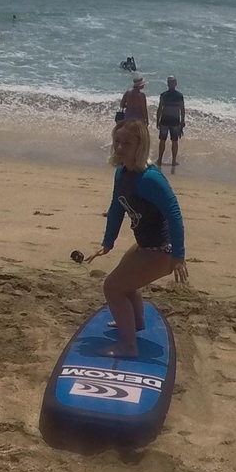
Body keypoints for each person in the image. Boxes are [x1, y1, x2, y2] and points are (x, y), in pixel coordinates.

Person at [83, 120, 188, 358]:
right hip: (145, 245)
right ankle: (137, 322)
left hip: (162, 250)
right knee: (124, 277)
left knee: (112, 287)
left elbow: (174, 213)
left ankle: (129, 346)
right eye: (117, 141)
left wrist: (179, 256)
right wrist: (107, 243)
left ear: (140, 146)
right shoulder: (123, 173)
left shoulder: (150, 179)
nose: (120, 147)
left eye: (127, 143)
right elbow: (116, 206)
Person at [156, 76, 185, 167]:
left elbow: (182, 109)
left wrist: (182, 121)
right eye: (170, 83)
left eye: (171, 83)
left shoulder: (164, 95)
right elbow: (182, 109)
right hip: (172, 120)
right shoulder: (178, 96)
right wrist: (182, 121)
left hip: (167, 120)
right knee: (169, 141)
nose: (171, 84)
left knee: (167, 140)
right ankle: (171, 160)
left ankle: (163, 160)